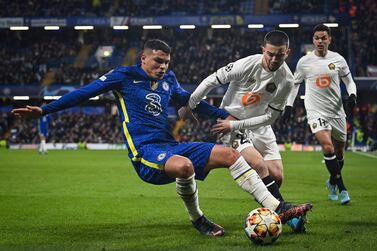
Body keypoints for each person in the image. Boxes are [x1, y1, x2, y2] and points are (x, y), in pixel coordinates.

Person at [12, 39, 311, 236]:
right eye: (157, 61)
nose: (163, 67)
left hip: (170, 145)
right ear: (143, 58)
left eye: (166, 62)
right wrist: (45, 110)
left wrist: (224, 117)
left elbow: (191, 101)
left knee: (231, 155)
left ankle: (277, 207)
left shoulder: (168, 80)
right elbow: (83, 93)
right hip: (144, 152)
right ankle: (199, 219)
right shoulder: (123, 76)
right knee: (184, 167)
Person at [187, 31, 307, 232]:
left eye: (280, 55)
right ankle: (286, 214)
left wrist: (234, 125)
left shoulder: (286, 79)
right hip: (232, 123)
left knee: (276, 176)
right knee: (259, 165)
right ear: (263, 50)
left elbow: (271, 118)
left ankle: (271, 211)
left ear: (288, 52)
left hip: (257, 126)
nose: (274, 59)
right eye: (270, 54)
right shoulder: (247, 64)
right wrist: (191, 104)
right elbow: (212, 80)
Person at [284, 24, 357, 205]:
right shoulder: (304, 62)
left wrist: (353, 95)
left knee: (339, 154)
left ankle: (332, 181)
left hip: (337, 111)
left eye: (324, 38)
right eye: (317, 38)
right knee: (328, 147)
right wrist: (289, 105)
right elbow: (294, 85)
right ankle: (342, 188)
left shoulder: (338, 59)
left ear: (329, 39)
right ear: (313, 40)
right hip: (316, 111)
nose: (320, 41)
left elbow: (349, 82)